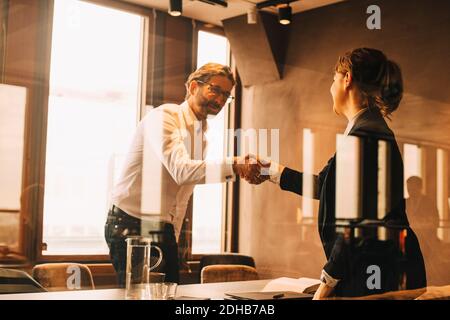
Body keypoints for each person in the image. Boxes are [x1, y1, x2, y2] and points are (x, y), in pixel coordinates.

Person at [247, 48, 427, 298]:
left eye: (333, 78)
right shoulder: (365, 129)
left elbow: (357, 222)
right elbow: (325, 185)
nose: (330, 87)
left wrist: (327, 283)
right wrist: (270, 171)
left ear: (347, 78)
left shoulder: (367, 134)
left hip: (380, 273)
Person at [104, 63, 266, 286]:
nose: (220, 100)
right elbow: (182, 171)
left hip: (162, 227)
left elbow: (182, 195)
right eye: (215, 90)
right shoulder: (164, 117)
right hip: (130, 222)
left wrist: (173, 235)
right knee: (141, 295)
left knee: (170, 292)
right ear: (192, 87)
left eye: (226, 95)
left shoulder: (201, 137)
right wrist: (236, 165)